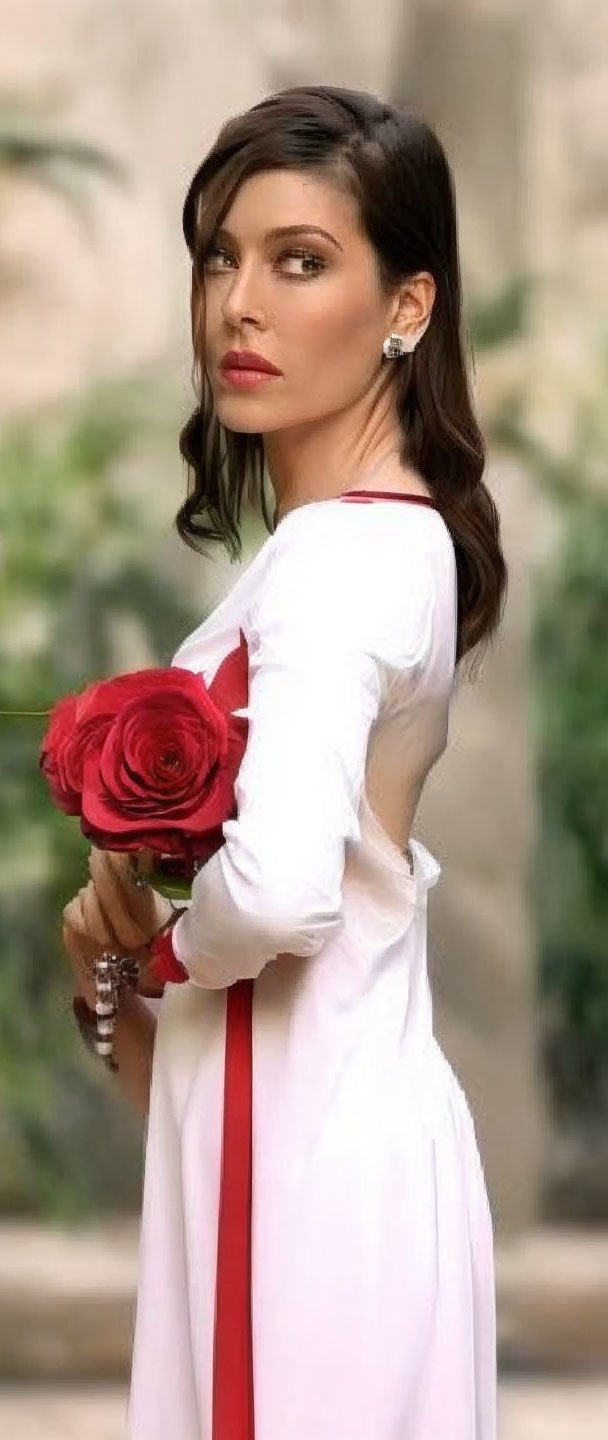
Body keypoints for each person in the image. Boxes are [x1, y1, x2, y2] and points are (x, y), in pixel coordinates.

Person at [62, 84, 507, 1440]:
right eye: (221, 258)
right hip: (321, 1147)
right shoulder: (390, 540)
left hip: (305, 1190)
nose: (239, 305)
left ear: (406, 308)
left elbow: (281, 897)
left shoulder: (336, 558)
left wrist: (148, 959)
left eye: (299, 261)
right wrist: (130, 990)